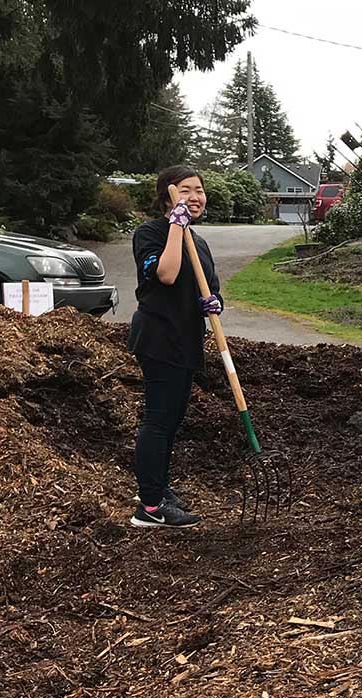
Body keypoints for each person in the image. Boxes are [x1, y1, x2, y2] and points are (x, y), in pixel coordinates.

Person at [126, 165, 224, 529]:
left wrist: (213, 302)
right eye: (186, 190)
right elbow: (165, 274)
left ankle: (158, 487)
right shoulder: (150, 233)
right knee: (158, 420)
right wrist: (175, 226)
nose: (195, 197)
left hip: (186, 339)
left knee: (171, 422)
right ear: (168, 194)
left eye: (199, 190)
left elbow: (209, 287)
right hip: (158, 337)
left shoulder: (199, 242)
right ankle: (149, 507)